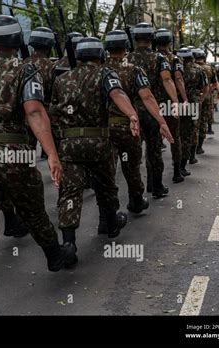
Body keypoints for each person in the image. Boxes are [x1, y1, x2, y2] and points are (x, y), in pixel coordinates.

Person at [0, 15, 75, 316]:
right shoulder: (25, 69)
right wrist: (52, 153)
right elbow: (34, 110)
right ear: (16, 41)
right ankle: (54, 255)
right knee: (33, 209)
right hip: (13, 153)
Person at [50, 36, 140, 264]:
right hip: (98, 143)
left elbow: (53, 112)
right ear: (100, 55)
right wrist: (131, 114)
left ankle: (69, 243)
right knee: (106, 184)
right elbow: (117, 94)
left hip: (70, 145)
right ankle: (110, 224)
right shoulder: (105, 74)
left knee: (70, 193)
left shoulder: (62, 79)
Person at [104, 30, 174, 221]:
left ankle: (107, 216)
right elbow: (148, 95)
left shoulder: (99, 70)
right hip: (136, 118)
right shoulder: (135, 68)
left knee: (106, 168)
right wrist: (163, 120)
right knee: (137, 162)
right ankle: (145, 193)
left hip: (104, 128)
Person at [128, 23, 179, 199]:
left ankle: (136, 193)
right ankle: (155, 186)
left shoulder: (127, 58)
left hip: (131, 111)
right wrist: (175, 101)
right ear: (151, 39)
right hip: (153, 110)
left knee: (133, 153)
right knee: (154, 149)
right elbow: (167, 80)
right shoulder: (159, 58)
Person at [155, 28, 187, 183]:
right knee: (175, 137)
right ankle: (177, 171)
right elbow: (178, 79)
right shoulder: (175, 59)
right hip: (170, 103)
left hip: (153, 105)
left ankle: (153, 182)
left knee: (152, 141)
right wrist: (183, 100)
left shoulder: (152, 58)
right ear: (169, 42)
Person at [176, 47, 207, 177]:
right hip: (192, 105)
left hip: (174, 104)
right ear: (192, 57)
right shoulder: (199, 70)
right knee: (187, 134)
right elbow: (205, 87)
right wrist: (200, 100)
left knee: (176, 134)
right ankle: (182, 166)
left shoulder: (174, 69)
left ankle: (176, 165)